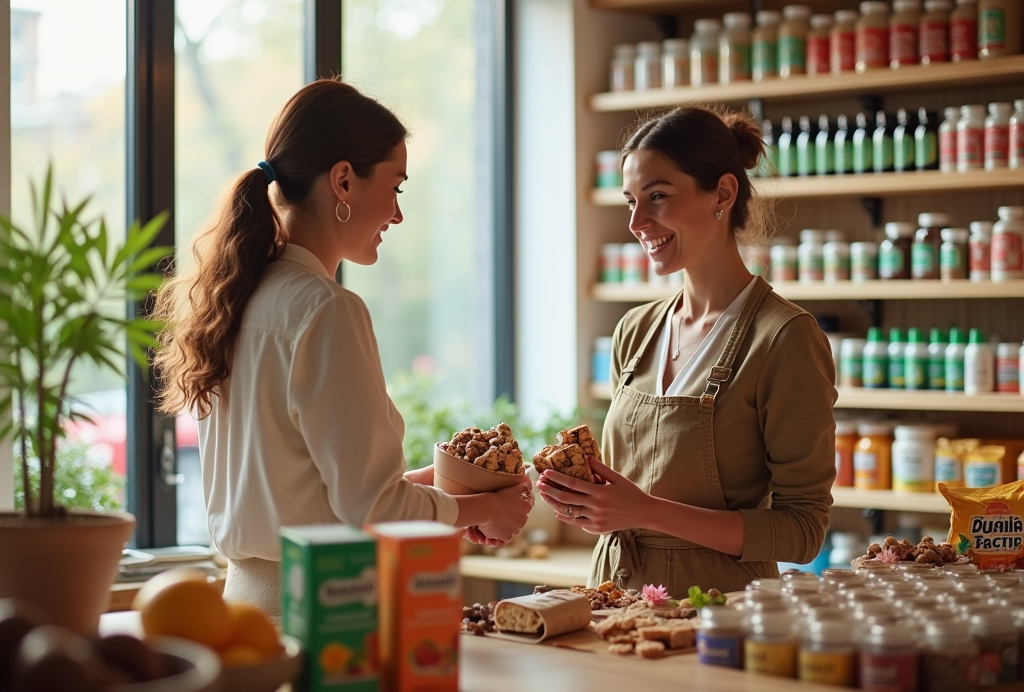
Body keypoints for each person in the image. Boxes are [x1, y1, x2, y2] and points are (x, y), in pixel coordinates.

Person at [153, 79, 531, 615]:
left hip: (243, 607)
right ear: (344, 181)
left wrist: (455, 493)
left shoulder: (238, 298)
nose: (398, 214)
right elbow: (373, 509)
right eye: (396, 186)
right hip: (322, 613)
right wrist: (481, 511)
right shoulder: (327, 309)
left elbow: (320, 489)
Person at [538, 105, 836, 596]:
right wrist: (588, 501)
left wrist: (644, 511)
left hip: (719, 616)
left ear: (722, 192)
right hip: (613, 601)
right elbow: (630, 491)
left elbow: (802, 532)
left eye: (657, 197)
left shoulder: (785, 338)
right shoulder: (635, 331)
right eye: (630, 200)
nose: (636, 221)